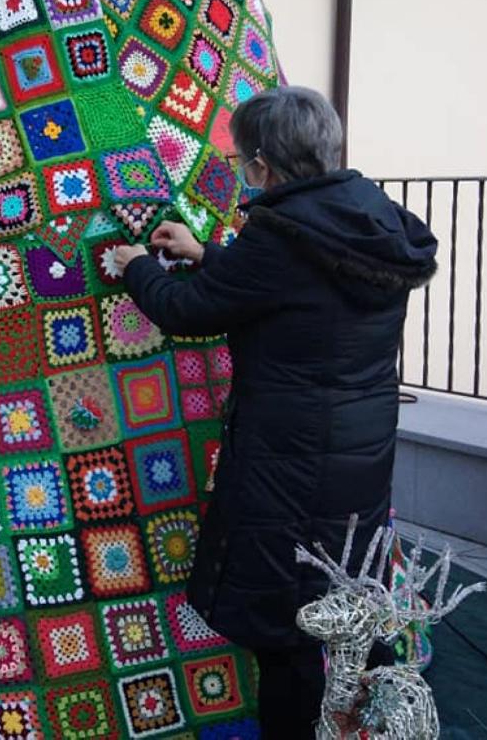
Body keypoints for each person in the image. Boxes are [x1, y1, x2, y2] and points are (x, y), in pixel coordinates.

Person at [113, 87, 438, 738]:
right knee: (347, 598)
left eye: (241, 160)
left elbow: (189, 311)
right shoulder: (372, 218)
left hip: (289, 458)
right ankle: (367, 724)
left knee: (286, 629)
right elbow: (303, 294)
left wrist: (138, 267)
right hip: (359, 451)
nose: (240, 171)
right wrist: (210, 255)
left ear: (263, 165)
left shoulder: (278, 235)